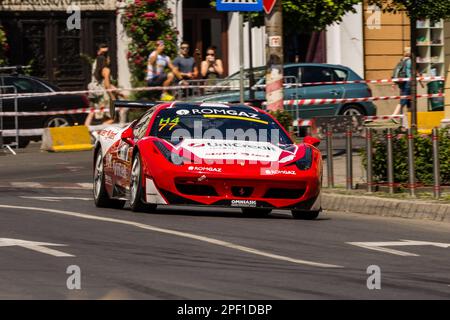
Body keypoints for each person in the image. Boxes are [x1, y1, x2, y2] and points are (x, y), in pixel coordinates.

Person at [84, 53, 118, 126]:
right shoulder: (106, 70)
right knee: (113, 118)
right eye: (108, 58)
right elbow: (106, 85)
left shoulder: (97, 71)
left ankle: (97, 132)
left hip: (100, 97)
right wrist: (112, 96)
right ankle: (98, 131)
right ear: (104, 60)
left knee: (104, 118)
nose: (109, 60)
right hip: (106, 96)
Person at [391, 47, 412, 126]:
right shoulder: (410, 61)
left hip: (402, 82)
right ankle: (394, 115)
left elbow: (397, 71)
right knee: (403, 101)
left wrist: (394, 83)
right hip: (408, 82)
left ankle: (407, 121)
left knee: (409, 101)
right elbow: (411, 72)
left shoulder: (402, 60)